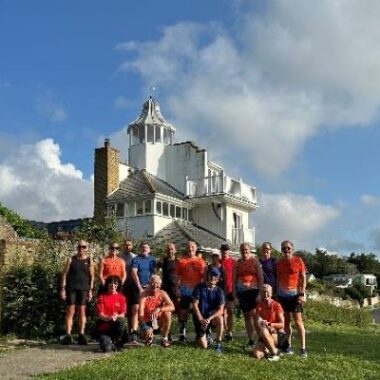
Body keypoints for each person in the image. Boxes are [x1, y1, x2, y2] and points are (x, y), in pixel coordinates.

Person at [277, 240, 307, 357]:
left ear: (292, 249)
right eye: (284, 248)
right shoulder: (279, 263)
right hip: (282, 295)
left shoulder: (298, 260)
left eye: (288, 248)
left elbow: (303, 278)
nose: (286, 250)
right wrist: (276, 294)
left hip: (295, 295)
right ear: (281, 250)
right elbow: (278, 278)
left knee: (298, 322)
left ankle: (303, 348)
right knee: (286, 322)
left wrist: (302, 293)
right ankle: (288, 347)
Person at [60, 240, 94, 345]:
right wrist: (63, 289)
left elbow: (92, 276)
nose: (81, 249)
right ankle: (68, 335)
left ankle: (81, 335)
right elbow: (64, 274)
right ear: (77, 248)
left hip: (84, 289)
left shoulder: (89, 260)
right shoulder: (71, 259)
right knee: (70, 311)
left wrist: (90, 291)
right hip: (72, 289)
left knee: (82, 311)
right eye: (80, 247)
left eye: (84, 247)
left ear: (86, 248)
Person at [175, 240, 206, 343]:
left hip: (197, 291)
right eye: (188, 247)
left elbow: (204, 278)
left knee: (197, 312)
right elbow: (177, 277)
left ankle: (200, 333)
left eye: (192, 247)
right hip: (185, 290)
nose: (190, 248)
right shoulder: (181, 261)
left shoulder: (201, 261)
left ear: (196, 248)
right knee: (184, 312)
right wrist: (177, 289)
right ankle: (182, 333)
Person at [234, 242, 264, 350]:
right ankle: (251, 340)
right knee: (247, 316)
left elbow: (261, 278)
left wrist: (260, 293)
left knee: (255, 316)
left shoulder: (255, 261)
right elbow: (234, 281)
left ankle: (262, 339)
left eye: (246, 249)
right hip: (242, 292)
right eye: (242, 250)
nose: (244, 252)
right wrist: (235, 296)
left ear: (250, 250)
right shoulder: (237, 263)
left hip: (254, 291)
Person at [251, 284, 288, 361]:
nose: (265, 294)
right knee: (257, 355)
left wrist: (270, 325)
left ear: (271, 293)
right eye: (263, 292)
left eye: (267, 292)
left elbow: (282, 324)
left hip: (278, 334)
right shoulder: (259, 306)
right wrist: (264, 325)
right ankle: (273, 350)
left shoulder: (276, 305)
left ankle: (274, 354)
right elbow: (257, 322)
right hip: (265, 334)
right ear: (261, 294)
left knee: (264, 329)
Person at [192, 268, 225, 354]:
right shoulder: (199, 287)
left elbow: (221, 310)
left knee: (220, 318)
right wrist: (201, 319)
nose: (212, 277)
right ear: (208, 275)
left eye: (215, 276)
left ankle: (218, 344)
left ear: (218, 279)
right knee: (204, 346)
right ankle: (203, 334)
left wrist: (210, 318)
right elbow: (195, 305)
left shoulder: (219, 291)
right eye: (211, 275)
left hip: (210, 317)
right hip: (200, 317)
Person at [129, 242, 157, 344]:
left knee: (148, 310)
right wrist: (140, 287)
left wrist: (152, 287)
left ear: (149, 249)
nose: (145, 249)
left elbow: (154, 274)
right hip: (138, 288)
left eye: (147, 247)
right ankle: (134, 335)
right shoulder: (136, 259)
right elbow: (133, 273)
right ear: (140, 249)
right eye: (143, 247)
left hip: (149, 288)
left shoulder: (153, 260)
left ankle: (147, 332)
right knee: (136, 309)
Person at [139, 275, 175, 347]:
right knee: (148, 339)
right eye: (153, 283)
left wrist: (160, 309)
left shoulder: (163, 293)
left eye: (157, 283)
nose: (155, 285)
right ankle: (148, 336)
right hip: (147, 322)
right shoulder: (144, 294)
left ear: (160, 285)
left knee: (168, 313)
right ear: (149, 283)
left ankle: (165, 338)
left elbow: (172, 307)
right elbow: (140, 314)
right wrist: (145, 327)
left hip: (158, 321)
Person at [94, 276, 127, 352]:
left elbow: (123, 314)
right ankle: (110, 344)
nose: (113, 285)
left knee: (121, 321)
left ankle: (116, 341)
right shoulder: (101, 297)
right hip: (104, 328)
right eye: (110, 283)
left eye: (115, 283)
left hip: (116, 325)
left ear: (118, 285)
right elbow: (100, 315)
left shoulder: (121, 298)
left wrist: (116, 316)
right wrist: (110, 317)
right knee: (107, 349)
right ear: (107, 284)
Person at [120, 239, 137, 332]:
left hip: (133, 285)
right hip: (123, 285)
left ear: (132, 246)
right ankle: (123, 329)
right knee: (124, 307)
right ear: (123, 246)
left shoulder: (135, 257)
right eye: (126, 245)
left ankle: (132, 330)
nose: (127, 247)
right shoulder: (120, 257)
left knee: (133, 308)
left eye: (129, 245)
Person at [220, 243, 235, 341]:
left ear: (229, 251)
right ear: (221, 251)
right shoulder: (218, 262)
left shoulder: (233, 262)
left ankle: (229, 331)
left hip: (231, 289)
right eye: (223, 250)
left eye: (226, 250)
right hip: (221, 290)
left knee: (230, 311)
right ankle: (225, 331)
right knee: (222, 312)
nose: (225, 251)